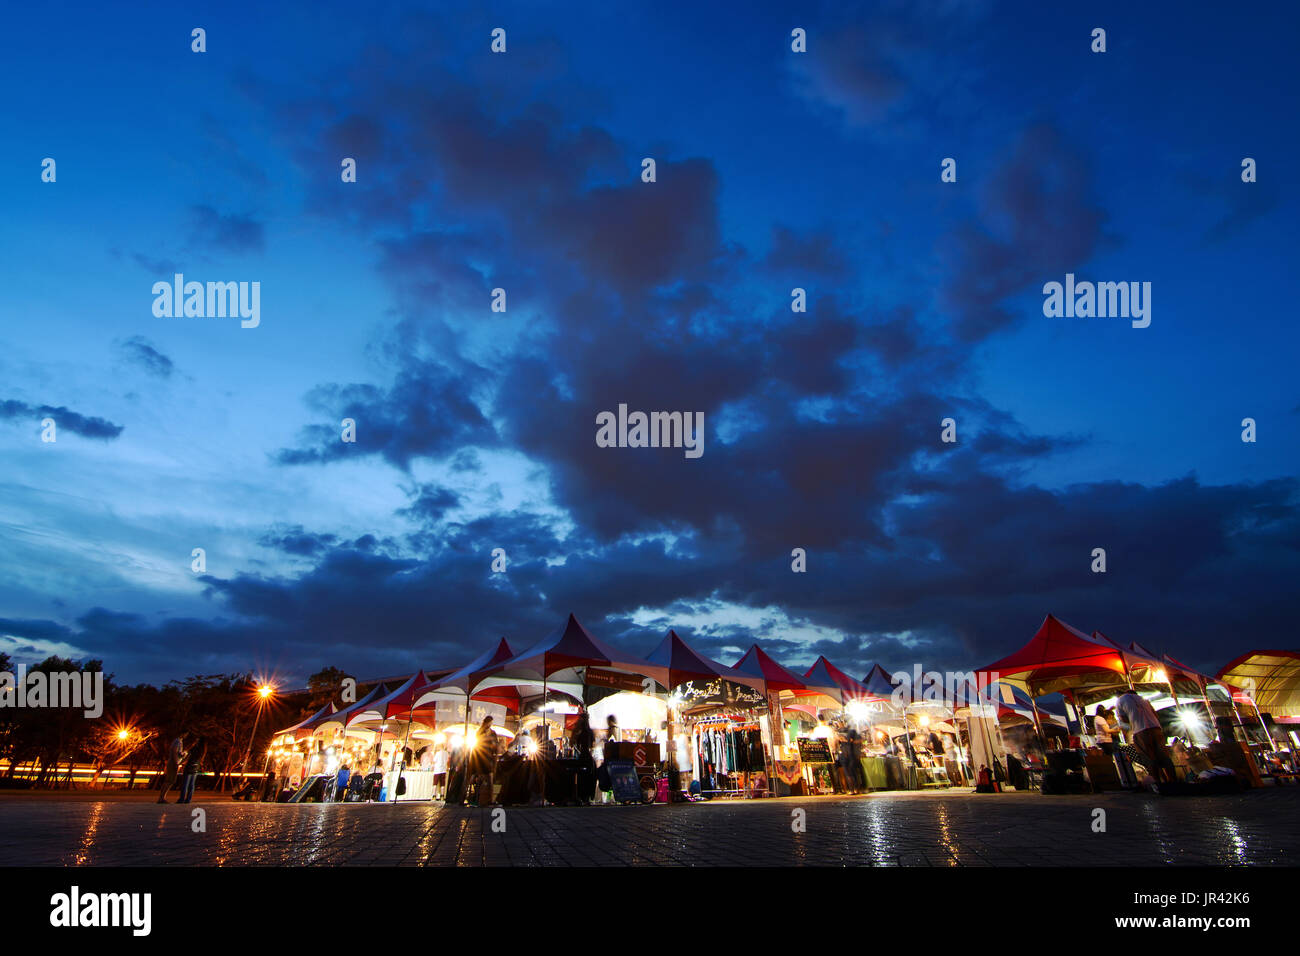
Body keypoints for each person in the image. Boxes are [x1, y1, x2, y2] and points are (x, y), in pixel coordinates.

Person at [1115, 690, 1176, 785]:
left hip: (1140, 730)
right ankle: (1173, 781)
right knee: (1164, 756)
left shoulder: (1120, 700)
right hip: (1156, 728)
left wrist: (1133, 719)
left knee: (1149, 757)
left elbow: (1124, 719)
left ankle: (1158, 783)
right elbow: (1155, 714)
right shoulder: (1143, 699)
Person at [467, 716, 496, 806]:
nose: (490, 724)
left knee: (490, 778)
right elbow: (478, 742)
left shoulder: (492, 733)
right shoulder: (480, 732)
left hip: (488, 757)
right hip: (480, 756)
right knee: (478, 777)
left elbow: (495, 744)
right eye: (490, 722)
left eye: (491, 722)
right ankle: (476, 797)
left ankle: (490, 799)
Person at [573, 713, 596, 805]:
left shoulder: (581, 732)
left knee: (583, 778)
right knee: (588, 778)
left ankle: (583, 797)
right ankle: (586, 797)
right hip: (588, 757)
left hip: (583, 757)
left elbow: (576, 745)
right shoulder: (589, 732)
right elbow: (592, 745)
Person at [157, 734, 184, 804]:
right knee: (170, 781)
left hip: (172, 762)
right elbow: (175, 752)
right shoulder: (177, 741)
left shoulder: (177, 741)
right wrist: (176, 762)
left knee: (169, 781)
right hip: (173, 763)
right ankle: (162, 798)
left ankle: (161, 797)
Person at [178, 737, 206, 804]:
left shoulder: (194, 748)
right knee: (192, 784)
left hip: (189, 766)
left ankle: (182, 799)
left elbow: (187, 756)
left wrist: (180, 763)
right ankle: (188, 799)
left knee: (185, 784)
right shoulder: (202, 750)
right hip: (196, 767)